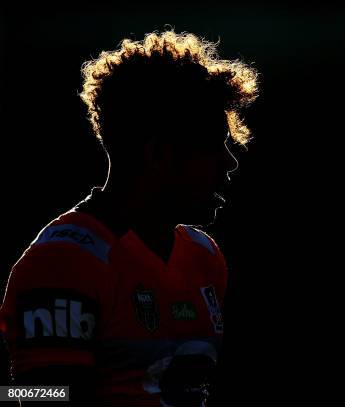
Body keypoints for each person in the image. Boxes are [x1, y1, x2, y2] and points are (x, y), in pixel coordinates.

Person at [0, 30, 258, 406]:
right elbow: (30, 396)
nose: (229, 163)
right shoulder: (63, 261)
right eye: (212, 146)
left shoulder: (205, 256)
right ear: (159, 155)